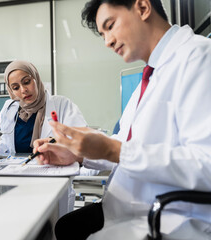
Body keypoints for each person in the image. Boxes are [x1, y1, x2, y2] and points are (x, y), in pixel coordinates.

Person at [34, 0, 211, 239]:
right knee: (64, 227)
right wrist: (77, 154)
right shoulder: (152, 74)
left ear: (142, 7)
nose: (107, 41)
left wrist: (112, 150)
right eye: (103, 34)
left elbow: (206, 164)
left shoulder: (199, 57)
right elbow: (127, 142)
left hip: (170, 220)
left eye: (110, 25)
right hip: (127, 208)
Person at [0, 60, 88, 156]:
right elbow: (7, 143)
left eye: (27, 82)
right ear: (11, 91)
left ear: (36, 78)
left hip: (53, 174)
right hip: (19, 173)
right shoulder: (9, 108)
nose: (23, 90)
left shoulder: (63, 105)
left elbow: (82, 143)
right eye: (15, 87)